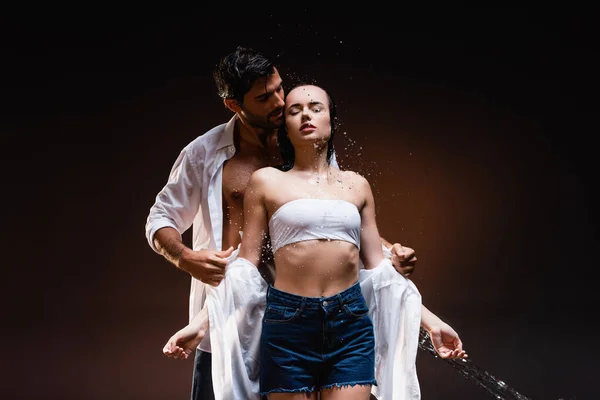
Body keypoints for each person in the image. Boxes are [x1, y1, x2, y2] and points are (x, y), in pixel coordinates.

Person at [146, 46, 464, 400]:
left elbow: (337, 228)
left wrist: (393, 256)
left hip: (328, 310)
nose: (281, 103)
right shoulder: (204, 154)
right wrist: (185, 258)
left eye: (280, 88)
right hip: (238, 311)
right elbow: (162, 219)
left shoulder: (306, 145)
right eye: (265, 97)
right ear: (235, 105)